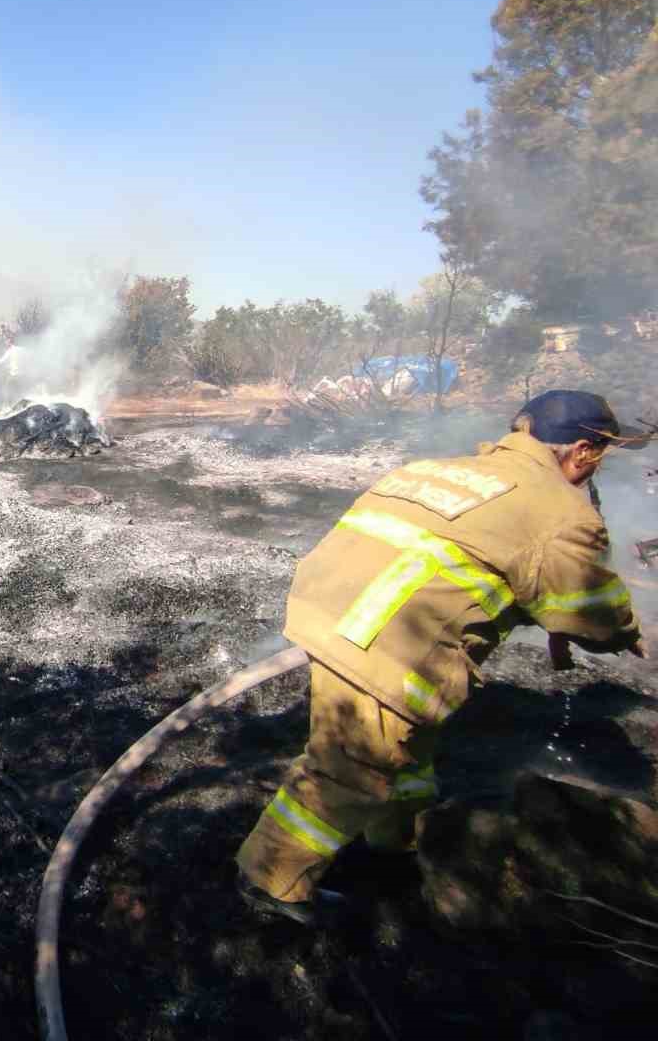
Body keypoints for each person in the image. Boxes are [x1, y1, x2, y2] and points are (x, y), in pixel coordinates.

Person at [235, 390, 649, 925]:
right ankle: (268, 881)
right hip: (382, 639)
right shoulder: (560, 512)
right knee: (351, 769)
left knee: (405, 748)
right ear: (584, 452)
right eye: (600, 456)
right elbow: (586, 613)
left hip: (327, 607)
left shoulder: (440, 469)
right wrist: (625, 629)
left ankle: (395, 842)